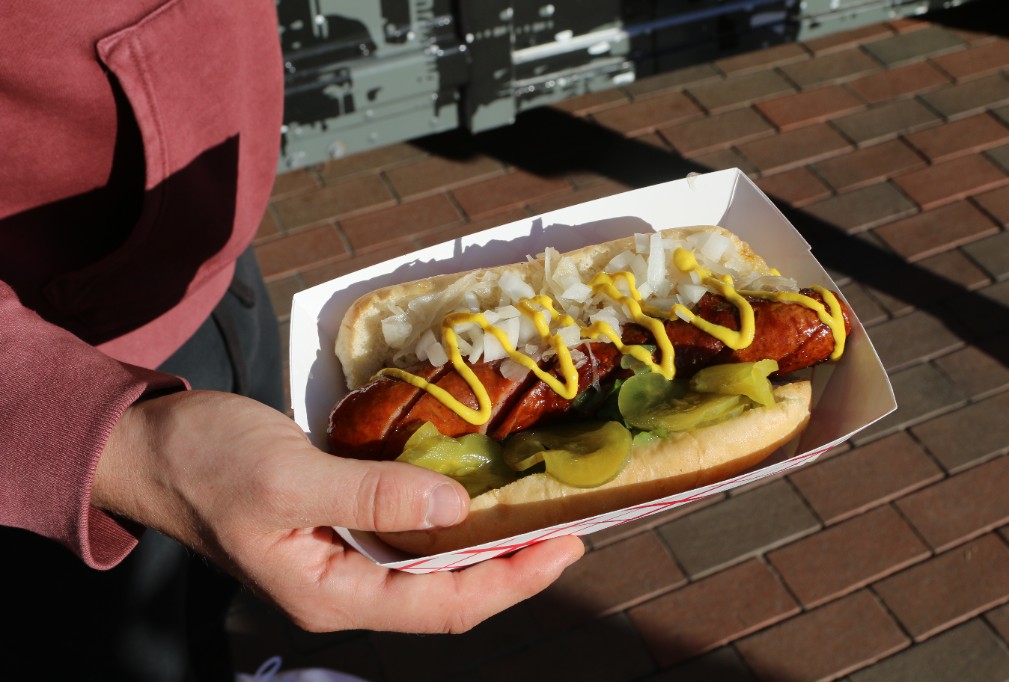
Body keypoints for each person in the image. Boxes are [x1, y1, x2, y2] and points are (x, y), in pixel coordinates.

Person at [0, 1, 584, 680]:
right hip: (41, 396)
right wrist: (122, 448)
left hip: (216, 262)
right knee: (103, 653)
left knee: (211, 587)